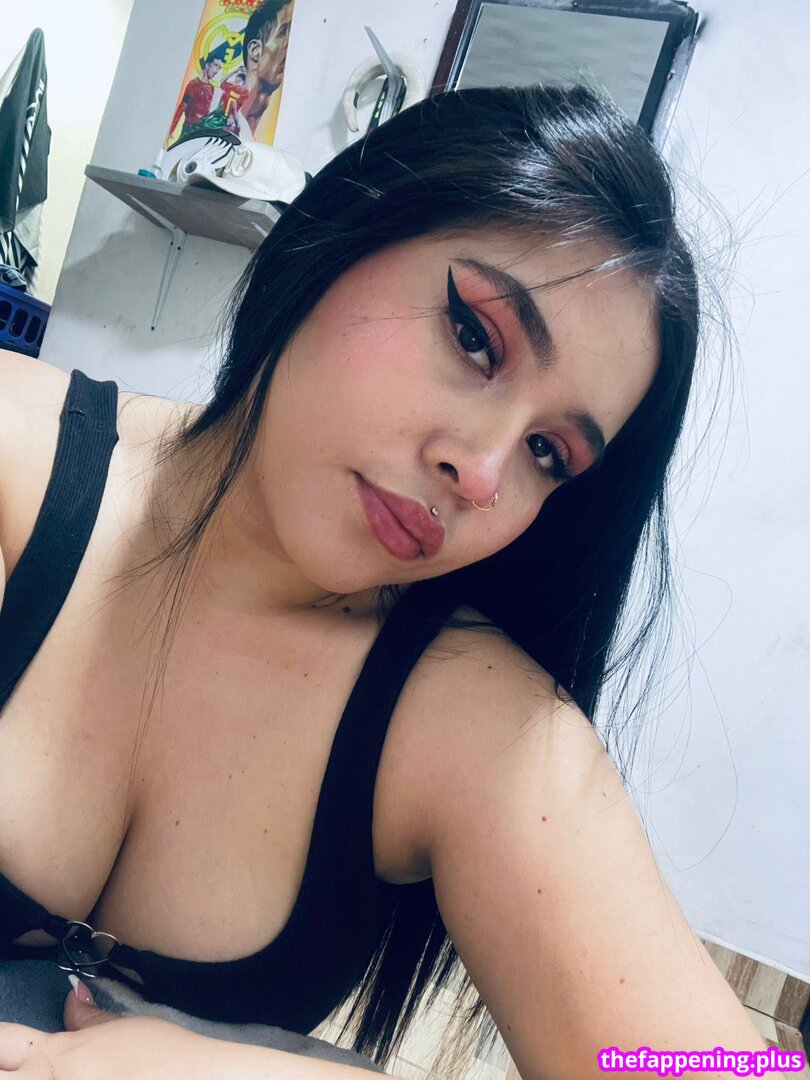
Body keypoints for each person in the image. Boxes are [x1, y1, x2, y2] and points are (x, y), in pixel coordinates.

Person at [0, 85, 779, 1079]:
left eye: (547, 452)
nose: (483, 473)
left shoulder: (476, 723)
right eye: (474, 337)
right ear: (344, 228)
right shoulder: (16, 468)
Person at [239, 0, 294, 137]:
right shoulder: (224, 124)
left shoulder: (282, 128)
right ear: (255, 51)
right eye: (283, 32)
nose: (290, 42)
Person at [168, 52, 223, 143]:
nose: (217, 70)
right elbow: (182, 107)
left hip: (201, 132)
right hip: (189, 129)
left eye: (219, 67)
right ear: (207, 65)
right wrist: (171, 130)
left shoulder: (211, 88)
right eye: (215, 65)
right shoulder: (193, 85)